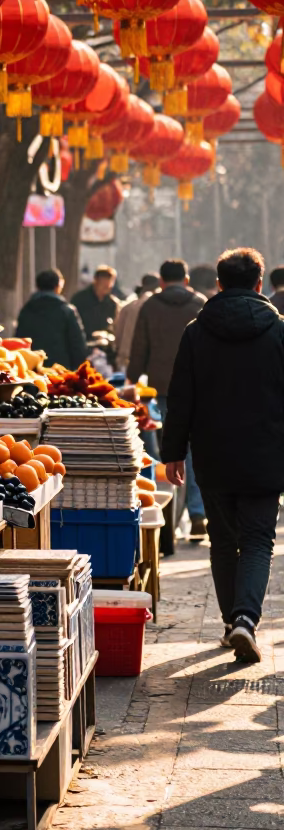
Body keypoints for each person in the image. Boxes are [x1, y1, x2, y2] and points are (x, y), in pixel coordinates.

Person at [161, 248, 284, 664]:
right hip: (267, 452)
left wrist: (173, 452)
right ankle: (246, 619)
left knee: (222, 539)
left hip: (212, 453)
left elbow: (180, 399)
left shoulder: (196, 332)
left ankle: (233, 622)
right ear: (259, 283)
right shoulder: (279, 331)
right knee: (257, 540)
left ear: (218, 284)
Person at [127, 259, 208, 539]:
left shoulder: (150, 306)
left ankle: (167, 518)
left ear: (162, 281)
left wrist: (132, 377)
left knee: (168, 451)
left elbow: (140, 346)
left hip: (163, 386)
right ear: (185, 280)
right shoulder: (200, 302)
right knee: (195, 449)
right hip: (199, 387)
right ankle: (197, 513)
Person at [16, 269, 87, 368]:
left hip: (31, 370)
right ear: (58, 286)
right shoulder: (66, 311)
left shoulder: (27, 310)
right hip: (60, 370)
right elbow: (77, 345)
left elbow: (19, 341)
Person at [113, 273, 160, 373]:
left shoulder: (127, 308)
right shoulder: (160, 308)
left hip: (126, 361)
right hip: (151, 363)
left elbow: (118, 337)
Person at [71, 265, 120, 339]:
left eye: (108, 286)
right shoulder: (79, 299)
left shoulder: (112, 303)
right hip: (82, 343)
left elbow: (114, 327)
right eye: (103, 285)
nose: (106, 288)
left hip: (104, 345)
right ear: (96, 281)